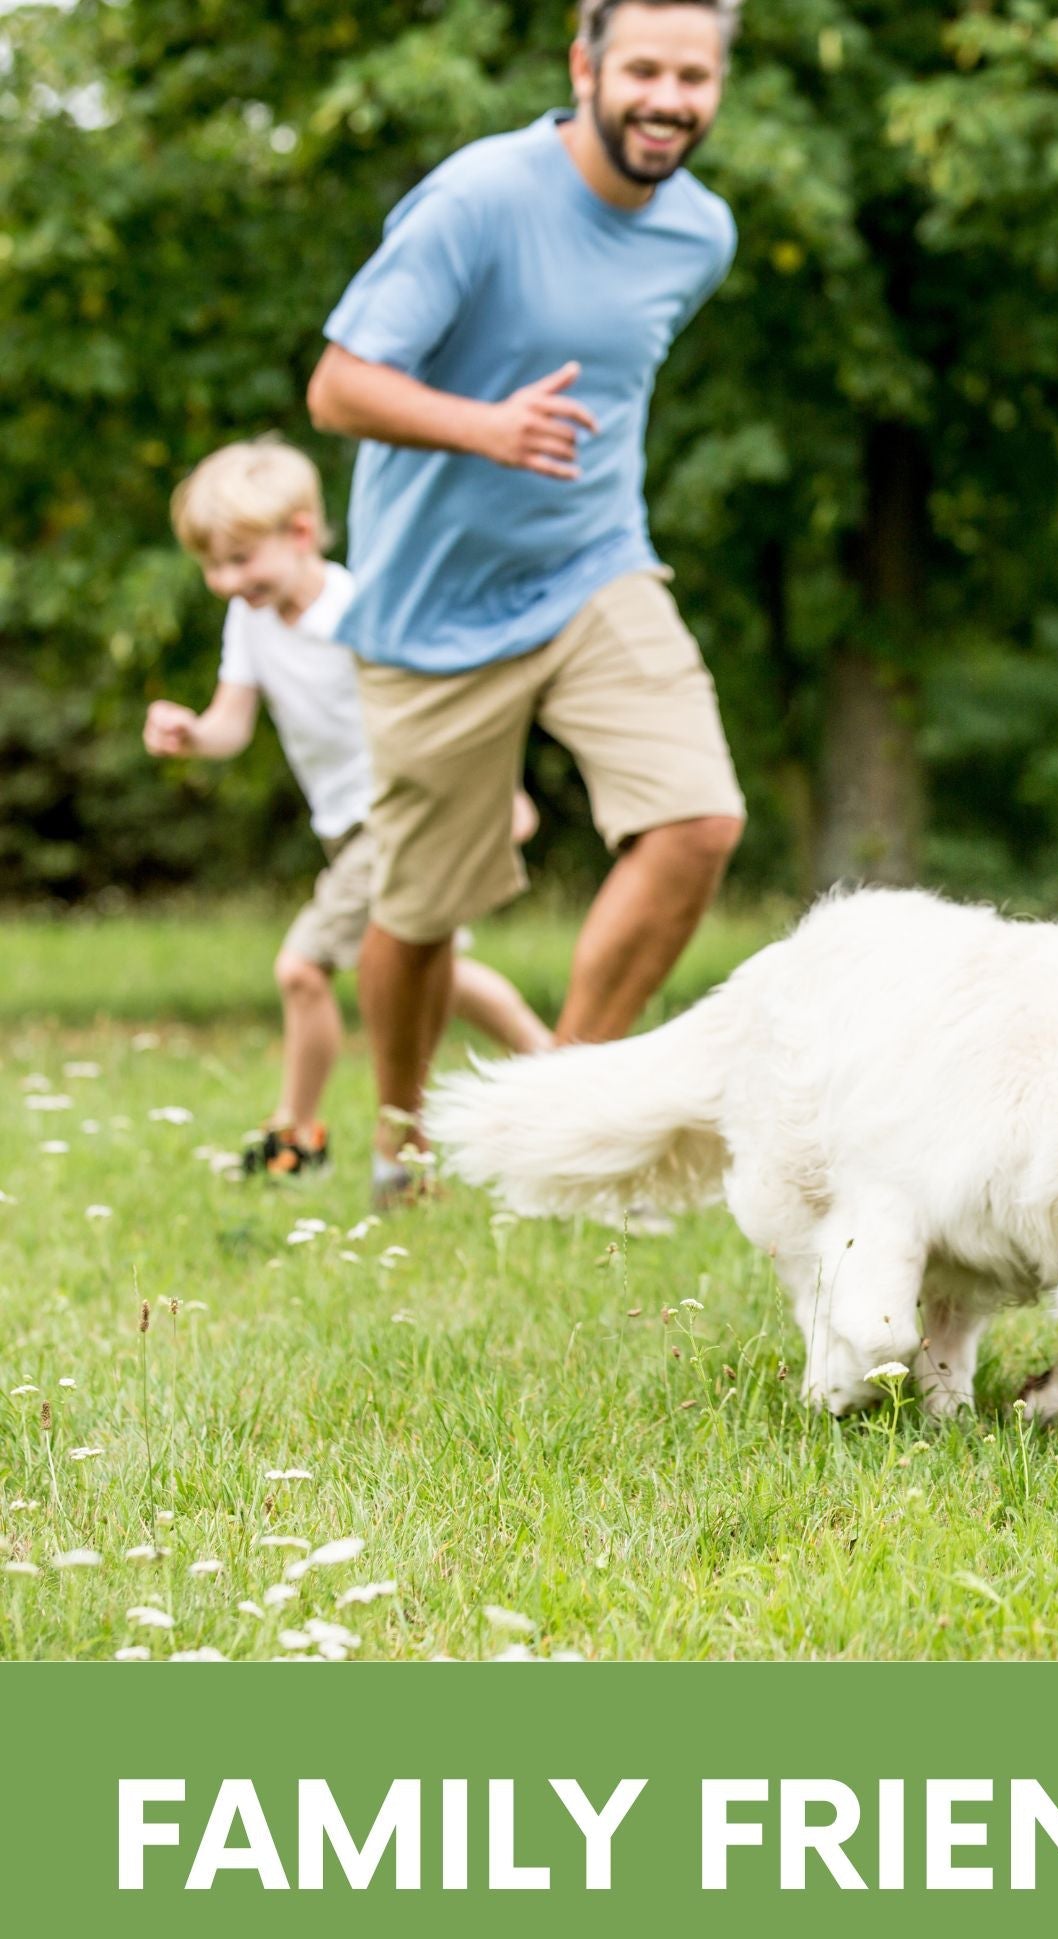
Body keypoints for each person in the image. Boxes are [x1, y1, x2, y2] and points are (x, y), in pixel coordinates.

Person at [305, 0, 747, 1208]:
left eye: (694, 77)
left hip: (595, 564)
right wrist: (484, 426)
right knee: (420, 910)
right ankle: (402, 1148)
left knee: (697, 821)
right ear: (583, 67)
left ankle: (554, 1114)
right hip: (430, 604)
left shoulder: (700, 233)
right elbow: (337, 386)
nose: (668, 99)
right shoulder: (479, 199)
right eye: (644, 69)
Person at [146, 438, 553, 1178]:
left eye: (239, 560)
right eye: (212, 565)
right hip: (342, 827)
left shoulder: (359, 609)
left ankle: (298, 1137)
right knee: (434, 967)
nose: (225, 581)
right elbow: (232, 724)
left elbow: (442, 709)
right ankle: (561, 1072)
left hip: (398, 813)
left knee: (302, 968)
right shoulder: (250, 619)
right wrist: (193, 734)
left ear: (301, 532)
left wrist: (499, 795)